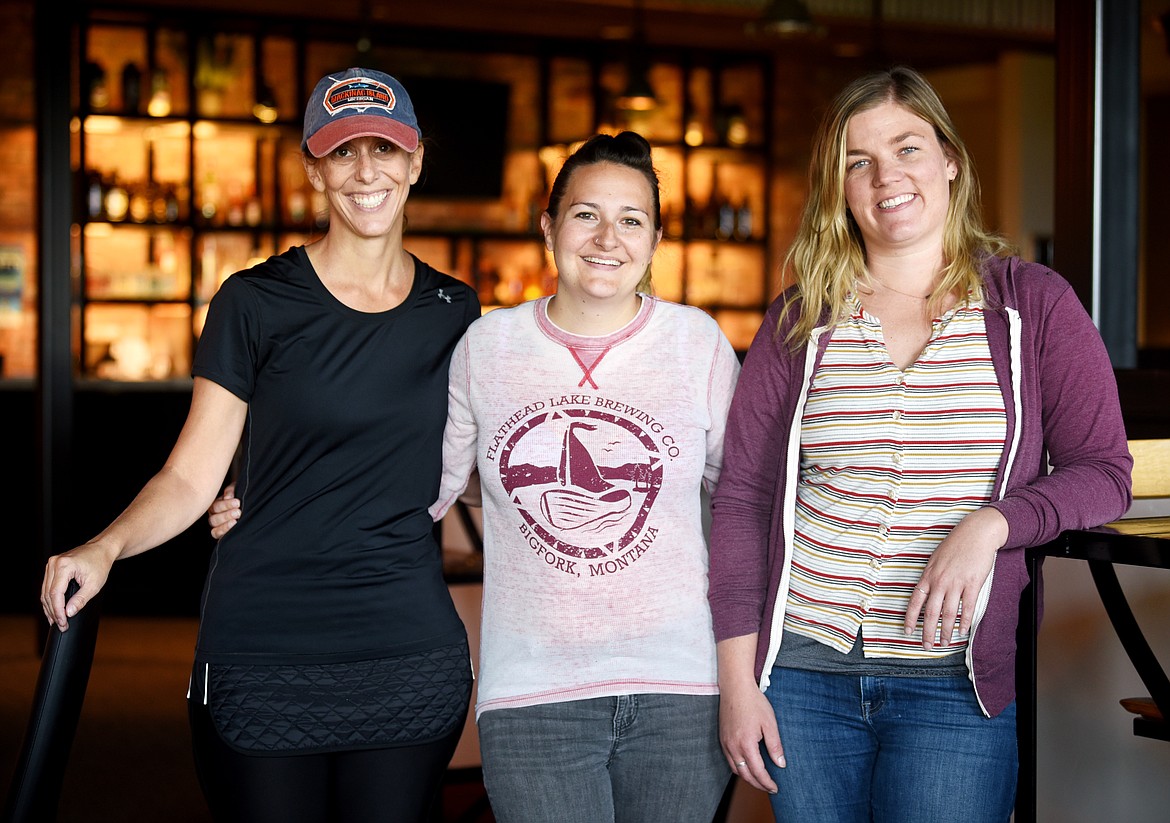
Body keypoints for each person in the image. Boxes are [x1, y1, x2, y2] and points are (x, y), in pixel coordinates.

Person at [41, 67, 479, 823]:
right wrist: (104, 547)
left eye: (385, 149)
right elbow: (187, 474)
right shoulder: (254, 301)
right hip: (266, 648)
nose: (366, 171)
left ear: (416, 162)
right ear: (313, 167)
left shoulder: (456, 309)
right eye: (343, 152)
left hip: (407, 651)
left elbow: (478, 468)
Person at [707, 65, 1133, 823]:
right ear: (837, 186)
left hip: (954, 680)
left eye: (907, 148)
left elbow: (1104, 472)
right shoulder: (799, 320)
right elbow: (741, 499)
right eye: (858, 161)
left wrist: (992, 524)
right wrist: (739, 684)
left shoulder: (1031, 305)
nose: (886, 177)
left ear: (951, 162)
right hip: (804, 674)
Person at [431, 130, 739, 822]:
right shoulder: (488, 346)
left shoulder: (697, 345)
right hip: (533, 692)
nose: (608, 237)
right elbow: (429, 487)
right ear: (549, 226)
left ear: (656, 240)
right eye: (585, 214)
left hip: (681, 687)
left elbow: (745, 502)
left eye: (632, 219)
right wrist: (274, 500)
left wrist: (746, 669)